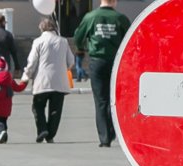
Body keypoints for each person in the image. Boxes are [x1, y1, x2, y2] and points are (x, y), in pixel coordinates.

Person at [74, 0, 130, 147]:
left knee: (100, 100)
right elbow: (130, 38)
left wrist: (82, 48)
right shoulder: (120, 19)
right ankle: (112, 130)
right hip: (116, 62)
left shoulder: (90, 17)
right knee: (115, 98)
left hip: (97, 61)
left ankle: (104, 137)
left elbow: (78, 37)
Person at [20, 18, 74, 143]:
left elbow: (32, 62)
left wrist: (26, 76)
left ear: (42, 28)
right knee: (55, 110)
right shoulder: (63, 41)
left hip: (42, 81)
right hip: (59, 82)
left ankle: (42, 128)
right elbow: (71, 62)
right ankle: (50, 135)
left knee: (38, 106)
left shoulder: (38, 42)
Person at [0, 57, 27, 144]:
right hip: (7, 108)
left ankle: (1, 132)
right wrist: (24, 83)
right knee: (3, 120)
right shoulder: (9, 79)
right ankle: (3, 135)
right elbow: (18, 88)